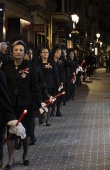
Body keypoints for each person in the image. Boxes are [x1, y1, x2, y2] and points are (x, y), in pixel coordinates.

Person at [2, 40, 47, 168]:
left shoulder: (30, 66)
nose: (18, 52)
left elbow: (35, 87)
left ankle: (25, 155)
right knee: (11, 131)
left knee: (25, 131)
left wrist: (40, 103)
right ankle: (11, 158)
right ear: (12, 52)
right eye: (16, 50)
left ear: (24, 52)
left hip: (26, 103)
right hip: (10, 104)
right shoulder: (6, 66)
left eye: (21, 50)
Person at [35, 44, 60, 125]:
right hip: (40, 85)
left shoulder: (52, 62)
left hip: (50, 85)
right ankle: (41, 115)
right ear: (40, 54)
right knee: (41, 102)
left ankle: (47, 120)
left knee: (49, 103)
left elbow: (56, 73)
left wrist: (58, 84)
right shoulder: (37, 63)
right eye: (44, 52)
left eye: (47, 52)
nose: (45, 53)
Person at [52, 44, 66, 116]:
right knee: (53, 96)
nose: (60, 54)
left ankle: (58, 110)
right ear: (55, 53)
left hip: (60, 81)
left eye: (61, 53)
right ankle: (52, 110)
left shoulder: (61, 61)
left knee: (59, 96)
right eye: (59, 53)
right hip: (53, 81)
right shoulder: (51, 61)